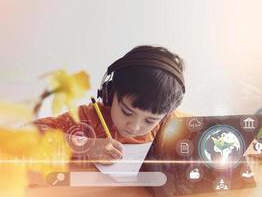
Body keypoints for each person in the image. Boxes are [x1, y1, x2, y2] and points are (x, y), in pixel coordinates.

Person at [33, 45, 186, 164]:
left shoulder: (170, 124)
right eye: (127, 111)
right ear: (110, 93)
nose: (134, 126)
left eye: (150, 120)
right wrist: (85, 145)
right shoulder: (87, 119)